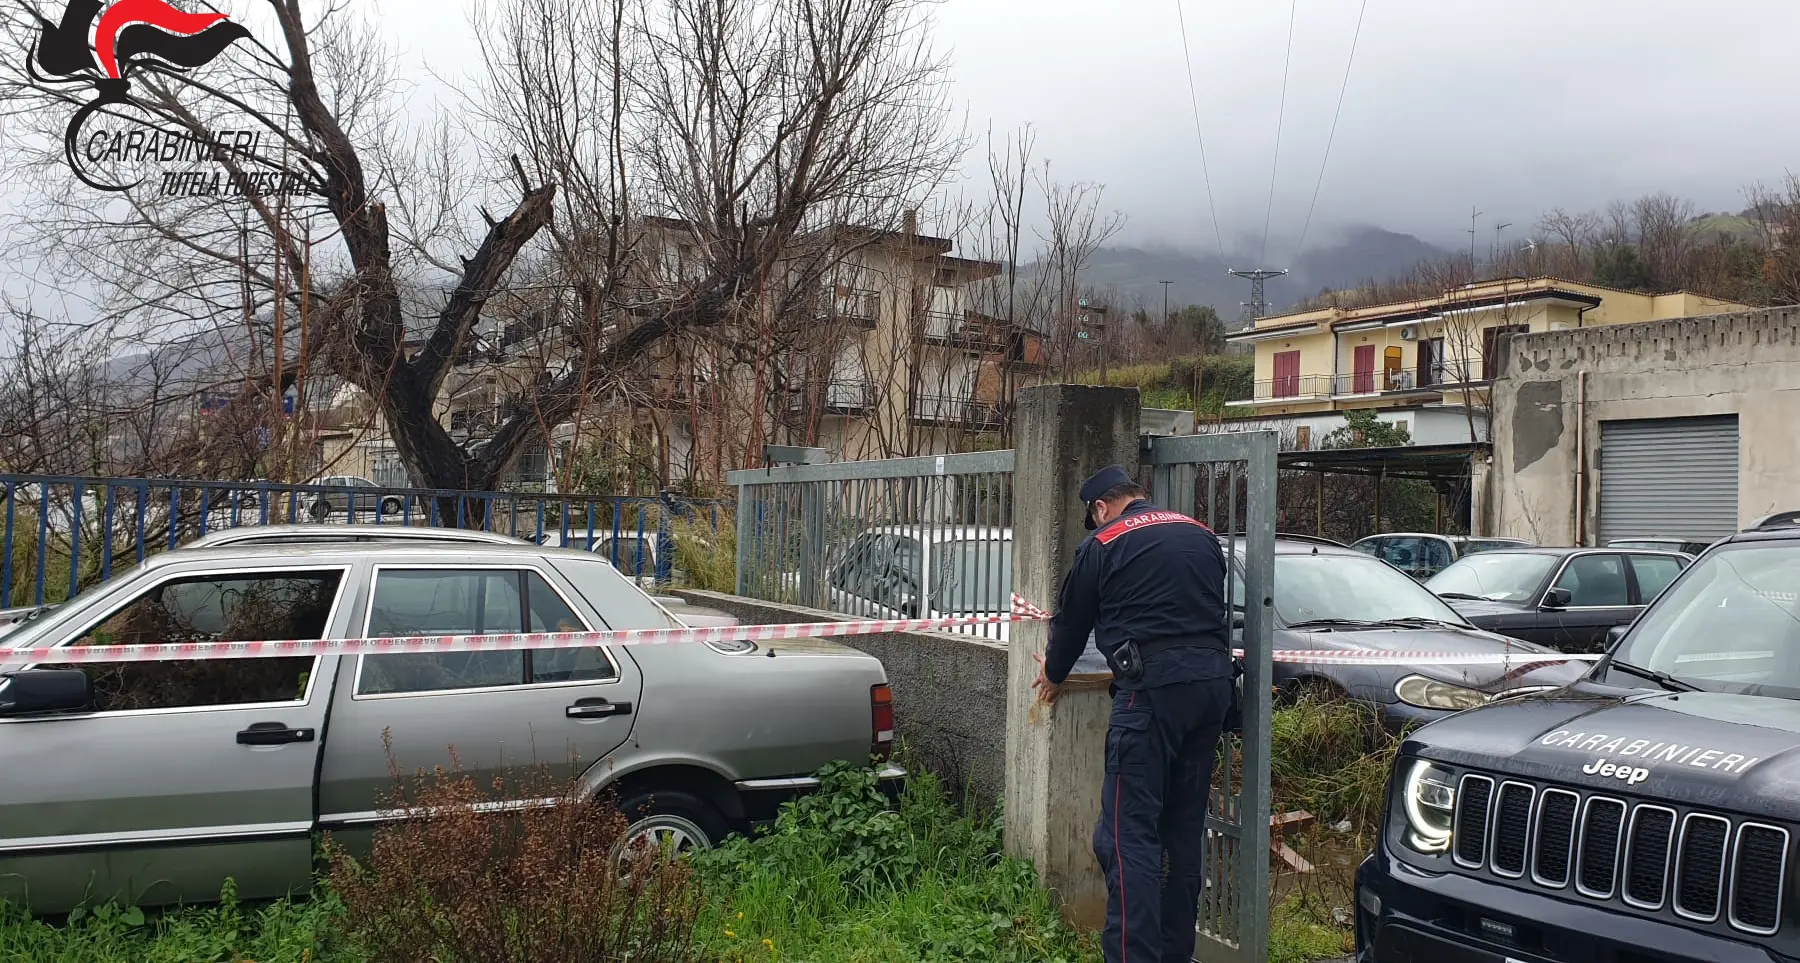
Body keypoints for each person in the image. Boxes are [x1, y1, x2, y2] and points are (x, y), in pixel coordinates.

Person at [1032, 465, 1235, 963]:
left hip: (1151, 698)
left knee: (1127, 839)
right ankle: (1174, 953)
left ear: (1100, 508)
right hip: (1212, 692)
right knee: (1183, 831)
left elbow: (1071, 622)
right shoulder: (1200, 533)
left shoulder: (1102, 543)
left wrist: (1053, 676)